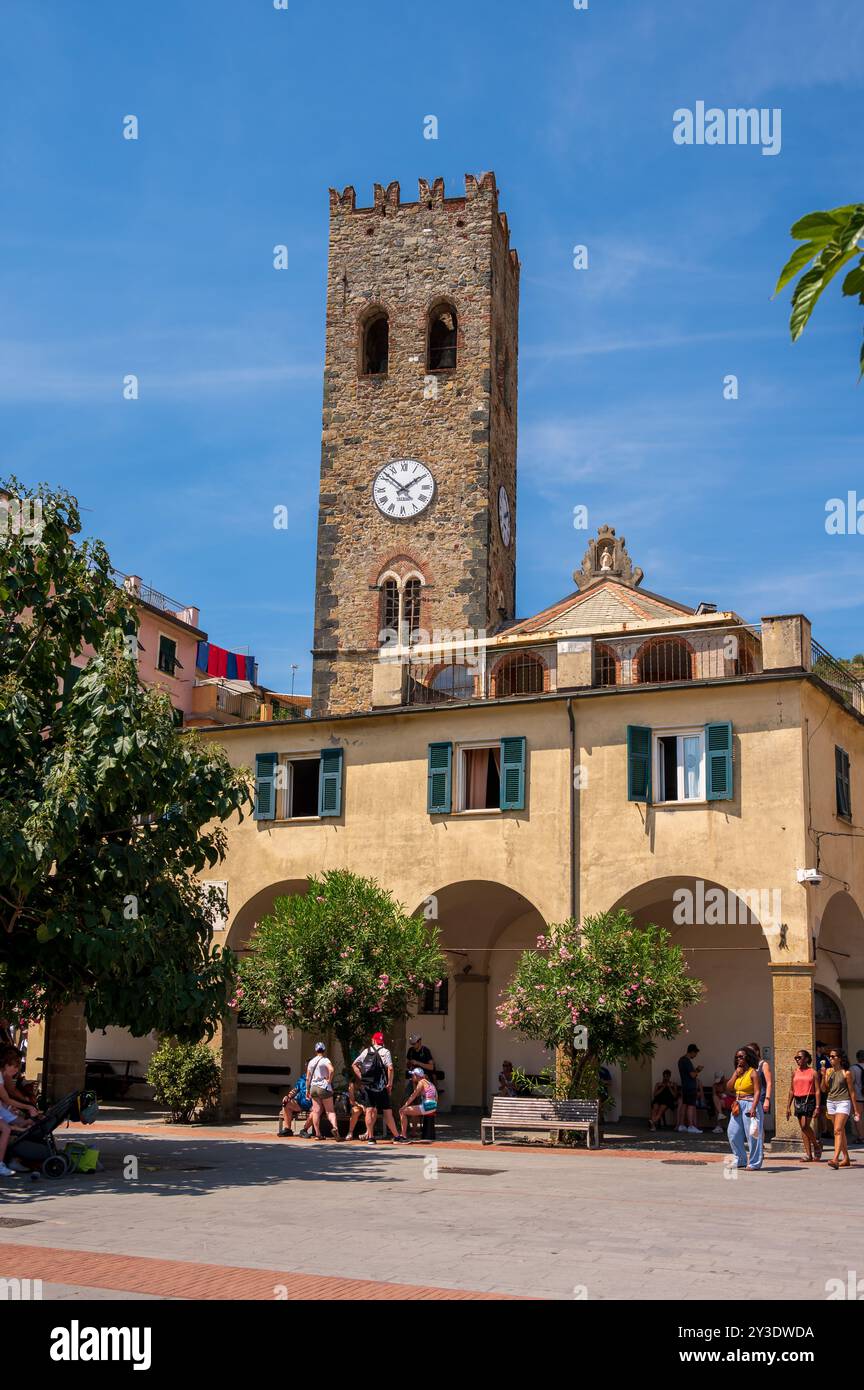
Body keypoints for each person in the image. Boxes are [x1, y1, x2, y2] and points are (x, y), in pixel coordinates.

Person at [352, 1031, 401, 1144]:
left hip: (369, 1087)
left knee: (369, 1111)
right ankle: (397, 1136)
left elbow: (354, 1064)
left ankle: (371, 1137)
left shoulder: (366, 1051)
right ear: (382, 1041)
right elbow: (390, 1068)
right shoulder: (386, 1052)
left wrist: (362, 1078)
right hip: (381, 1087)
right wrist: (389, 1084)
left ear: (373, 1040)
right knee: (387, 1112)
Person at [722, 1045, 764, 1170]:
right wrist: (735, 1073)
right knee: (733, 1133)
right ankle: (740, 1159)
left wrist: (753, 1108)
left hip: (751, 1104)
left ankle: (754, 1163)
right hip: (738, 1105)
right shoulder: (739, 1073)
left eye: (741, 1057)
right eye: (737, 1057)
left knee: (753, 1135)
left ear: (748, 1058)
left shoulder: (753, 1073)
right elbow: (728, 1087)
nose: (738, 1059)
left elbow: (757, 1092)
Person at [820, 1048, 860, 1170]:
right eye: (830, 1056)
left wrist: (856, 1110)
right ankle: (846, 1158)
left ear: (840, 1058)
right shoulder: (828, 1071)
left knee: (837, 1130)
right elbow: (823, 1089)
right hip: (831, 1102)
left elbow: (852, 1092)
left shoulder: (846, 1073)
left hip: (843, 1102)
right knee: (840, 1131)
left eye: (833, 1056)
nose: (830, 1059)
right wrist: (823, 1076)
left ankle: (835, 1159)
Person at [785, 1049, 821, 1161]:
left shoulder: (813, 1072)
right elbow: (791, 1090)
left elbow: (818, 1090)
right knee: (803, 1128)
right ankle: (808, 1154)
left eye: (799, 1057)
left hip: (809, 1099)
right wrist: (788, 1107)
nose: (797, 1060)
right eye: (796, 1058)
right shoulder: (795, 1072)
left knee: (805, 1126)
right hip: (798, 1100)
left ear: (806, 1059)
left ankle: (816, 1145)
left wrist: (817, 1107)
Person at [305, 1042, 342, 1141]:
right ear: (324, 1050)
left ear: (316, 1050)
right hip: (324, 1087)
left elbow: (307, 1078)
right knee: (330, 1111)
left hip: (313, 1087)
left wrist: (307, 1090)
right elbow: (331, 1069)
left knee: (316, 1111)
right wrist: (329, 1080)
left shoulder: (311, 1062)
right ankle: (335, 1128)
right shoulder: (325, 1060)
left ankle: (318, 1134)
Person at [400, 1068, 438, 1138]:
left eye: (413, 1075)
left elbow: (413, 1095)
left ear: (416, 1076)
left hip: (427, 1106)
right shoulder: (429, 1083)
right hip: (433, 1106)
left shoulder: (421, 1082)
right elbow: (436, 1096)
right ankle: (411, 1133)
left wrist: (404, 1106)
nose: (411, 1077)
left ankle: (403, 1135)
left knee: (402, 1111)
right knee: (415, 1110)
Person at [677, 1044, 702, 1134]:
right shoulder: (687, 1061)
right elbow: (692, 1075)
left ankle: (681, 1125)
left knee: (684, 1105)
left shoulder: (680, 1060)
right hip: (690, 1087)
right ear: (692, 1052)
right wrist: (698, 1070)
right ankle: (691, 1126)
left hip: (684, 1086)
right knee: (691, 1106)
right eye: (695, 1053)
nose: (695, 1056)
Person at [279, 1073, 313, 1137]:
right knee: (286, 1102)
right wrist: (288, 1096)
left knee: (316, 1111)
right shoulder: (303, 1077)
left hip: (313, 1105)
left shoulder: (319, 1078)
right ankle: (287, 1129)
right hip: (299, 1103)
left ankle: (304, 1130)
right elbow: (296, 1089)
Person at [405, 1033, 435, 1097]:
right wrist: (410, 1063)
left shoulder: (425, 1051)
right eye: (412, 1044)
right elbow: (407, 1065)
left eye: (414, 1044)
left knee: (423, 1096)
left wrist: (418, 1063)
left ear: (419, 1041)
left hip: (425, 1078)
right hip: (414, 1078)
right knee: (406, 1095)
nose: (413, 1046)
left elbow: (431, 1067)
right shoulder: (410, 1051)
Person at [749, 1042, 773, 1123]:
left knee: (757, 1123)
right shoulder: (749, 1065)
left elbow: (769, 1083)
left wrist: (767, 1099)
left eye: (751, 1052)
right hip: (750, 1097)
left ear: (757, 1052)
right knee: (752, 1124)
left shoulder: (763, 1064)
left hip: (761, 1097)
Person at [851, 1050, 864, 1144]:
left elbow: (851, 1083)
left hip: (859, 1096)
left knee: (858, 1116)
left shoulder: (853, 1068)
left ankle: (861, 1137)